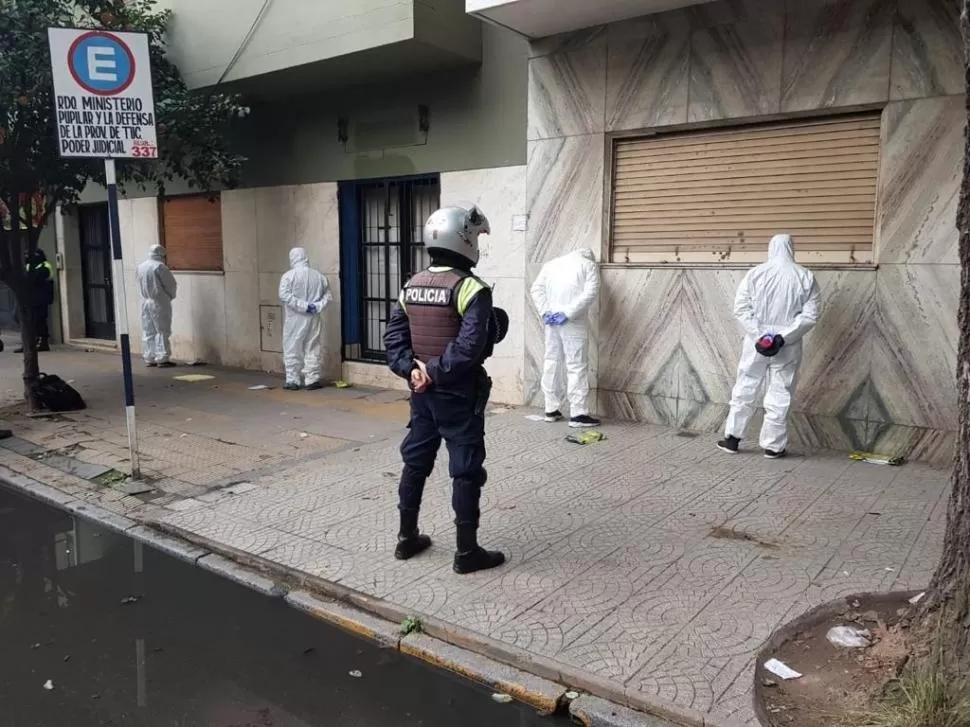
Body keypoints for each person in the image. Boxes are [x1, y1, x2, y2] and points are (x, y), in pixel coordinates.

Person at [384, 205, 509, 575]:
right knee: (466, 470)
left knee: (415, 462)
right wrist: (435, 373)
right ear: (464, 239)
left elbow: (394, 340)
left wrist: (413, 372)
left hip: (422, 395)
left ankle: (407, 538)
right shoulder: (471, 288)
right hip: (458, 395)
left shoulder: (412, 285)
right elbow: (469, 347)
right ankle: (467, 553)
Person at [718, 233, 822, 459]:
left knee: (746, 385)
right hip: (788, 346)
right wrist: (783, 338)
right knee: (780, 391)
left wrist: (760, 335)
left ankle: (732, 438)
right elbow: (810, 315)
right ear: (791, 248)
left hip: (756, 343)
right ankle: (773, 446)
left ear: (771, 248)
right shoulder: (805, 276)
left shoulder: (755, 274)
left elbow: (741, 309)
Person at [529, 248, 601, 427]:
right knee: (576, 365)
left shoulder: (551, 265)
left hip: (551, 321)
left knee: (552, 361)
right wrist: (568, 313)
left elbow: (536, 289)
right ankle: (578, 413)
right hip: (573, 323)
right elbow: (591, 292)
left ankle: (551, 409)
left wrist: (546, 312)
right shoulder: (588, 265)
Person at [279, 247, 332, 391]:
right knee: (313, 346)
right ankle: (312, 379)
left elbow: (284, 295)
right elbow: (328, 296)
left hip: (295, 318)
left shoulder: (288, 276)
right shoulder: (319, 276)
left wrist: (303, 306)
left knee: (292, 347)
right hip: (314, 317)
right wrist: (316, 306)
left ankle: (293, 380)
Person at [136, 244, 178, 368]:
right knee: (162, 330)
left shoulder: (141, 266)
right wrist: (169, 296)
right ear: (161, 254)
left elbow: (138, 282)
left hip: (145, 301)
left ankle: (149, 357)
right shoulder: (160, 267)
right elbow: (170, 285)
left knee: (148, 329)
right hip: (159, 301)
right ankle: (162, 358)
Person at [14, 249, 55, 353]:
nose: (26, 257)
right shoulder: (28, 266)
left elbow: (35, 278)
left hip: (41, 298)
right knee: (20, 318)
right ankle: (29, 343)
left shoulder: (45, 266)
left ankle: (42, 342)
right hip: (28, 298)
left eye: (28, 255)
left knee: (39, 320)